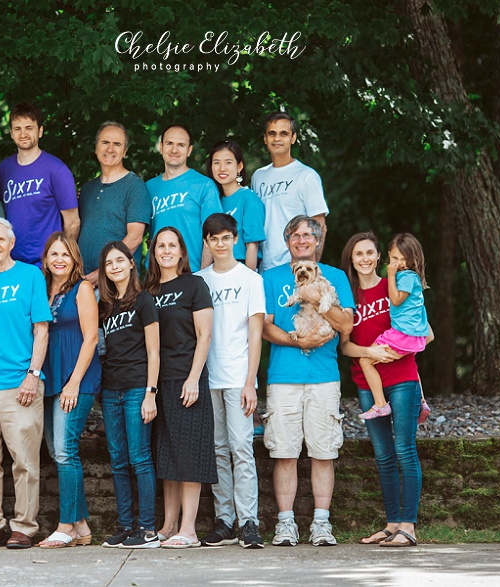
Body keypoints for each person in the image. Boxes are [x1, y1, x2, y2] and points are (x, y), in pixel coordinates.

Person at [261, 215, 354, 547]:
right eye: (294, 235)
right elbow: (265, 326)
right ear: (287, 242)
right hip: (283, 377)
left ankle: (321, 523)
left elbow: (346, 325)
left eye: (307, 235)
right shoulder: (270, 278)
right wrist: (296, 341)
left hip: (324, 377)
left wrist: (316, 299)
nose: (301, 240)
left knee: (323, 452)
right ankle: (285, 524)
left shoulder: (337, 277)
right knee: (284, 452)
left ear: (317, 241)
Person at [0, 217, 52, 550]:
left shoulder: (30, 276)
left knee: (25, 461)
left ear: (12, 242)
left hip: (21, 383)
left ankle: (25, 526)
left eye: (1, 239)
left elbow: (41, 330)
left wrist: (32, 374)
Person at [340, 233, 429, 548]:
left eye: (369, 253)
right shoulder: (347, 295)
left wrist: (397, 353)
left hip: (403, 377)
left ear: (379, 257)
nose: (364, 258)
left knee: (405, 449)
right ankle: (392, 524)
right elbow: (346, 345)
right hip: (366, 383)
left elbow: (426, 333)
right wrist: (370, 353)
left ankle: (409, 526)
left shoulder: (397, 285)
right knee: (382, 455)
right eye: (358, 254)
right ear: (351, 259)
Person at [195, 213, 266, 549]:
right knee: (217, 450)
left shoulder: (251, 279)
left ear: (235, 239)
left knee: (242, 448)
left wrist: (251, 380)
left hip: (239, 377)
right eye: (214, 239)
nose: (220, 244)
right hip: (208, 378)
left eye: (226, 237)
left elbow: (256, 333)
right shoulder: (199, 280)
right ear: (207, 242)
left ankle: (249, 521)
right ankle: (225, 520)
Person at [144, 227, 215, 549]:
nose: (167, 250)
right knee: (167, 456)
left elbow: (205, 336)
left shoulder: (194, 285)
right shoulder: (148, 290)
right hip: (158, 384)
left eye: (172, 245)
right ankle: (169, 524)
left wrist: (193, 377)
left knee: (189, 457)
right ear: (154, 251)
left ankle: (190, 529)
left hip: (189, 380)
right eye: (161, 245)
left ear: (181, 252)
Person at [37, 233, 101, 548]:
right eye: (54, 254)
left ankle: (65, 526)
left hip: (76, 380)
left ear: (75, 258)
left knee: (65, 451)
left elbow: (90, 338)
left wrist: (73, 382)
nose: (59, 259)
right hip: (50, 380)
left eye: (65, 254)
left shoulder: (83, 288)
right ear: (46, 259)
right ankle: (83, 526)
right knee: (56, 451)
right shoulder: (43, 290)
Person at [97, 242, 160, 549]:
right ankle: (125, 526)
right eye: (109, 263)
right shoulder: (104, 306)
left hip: (137, 388)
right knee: (118, 460)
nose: (115, 266)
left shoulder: (144, 300)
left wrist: (151, 393)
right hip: (111, 390)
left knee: (140, 458)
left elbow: (154, 351)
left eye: (120, 260)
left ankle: (148, 530)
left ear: (132, 264)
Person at [356, 233, 431, 420]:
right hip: (413, 335)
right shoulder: (413, 278)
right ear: (389, 254)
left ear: (413, 259)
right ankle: (421, 401)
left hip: (403, 334)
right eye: (395, 258)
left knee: (365, 361)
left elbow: (396, 300)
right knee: (411, 366)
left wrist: (390, 274)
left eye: (404, 259)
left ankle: (380, 404)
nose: (399, 263)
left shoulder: (405, 277)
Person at [0, 102, 80, 266]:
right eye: (17, 129)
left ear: (40, 131)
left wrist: (59, 260)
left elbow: (72, 222)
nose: (23, 134)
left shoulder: (57, 170)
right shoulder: (4, 170)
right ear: (11, 133)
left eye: (29, 128)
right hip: (12, 264)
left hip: (46, 264)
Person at [250, 112, 329, 272]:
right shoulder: (258, 176)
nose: (277, 138)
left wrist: (312, 268)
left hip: (298, 266)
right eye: (272, 133)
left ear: (293, 138)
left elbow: (319, 225)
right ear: (265, 138)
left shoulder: (306, 176)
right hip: (265, 268)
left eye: (283, 133)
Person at [78, 122, 150, 286]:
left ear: (124, 152)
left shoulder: (135, 186)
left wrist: (101, 273)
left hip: (118, 283)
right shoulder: (87, 189)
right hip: (84, 282)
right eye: (105, 143)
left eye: (117, 144)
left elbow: (135, 237)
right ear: (96, 147)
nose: (110, 149)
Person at [147, 124, 221, 271]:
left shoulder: (204, 186)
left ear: (189, 150)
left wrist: (202, 275)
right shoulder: (148, 188)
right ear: (161, 147)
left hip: (191, 272)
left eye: (181, 145)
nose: (174, 150)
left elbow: (213, 234)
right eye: (169, 144)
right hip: (155, 277)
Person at [208, 140, 265, 271]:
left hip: (240, 267)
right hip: (215, 268)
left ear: (239, 166)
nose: (222, 168)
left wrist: (247, 279)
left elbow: (252, 245)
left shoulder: (249, 198)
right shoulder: (212, 199)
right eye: (216, 162)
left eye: (228, 162)